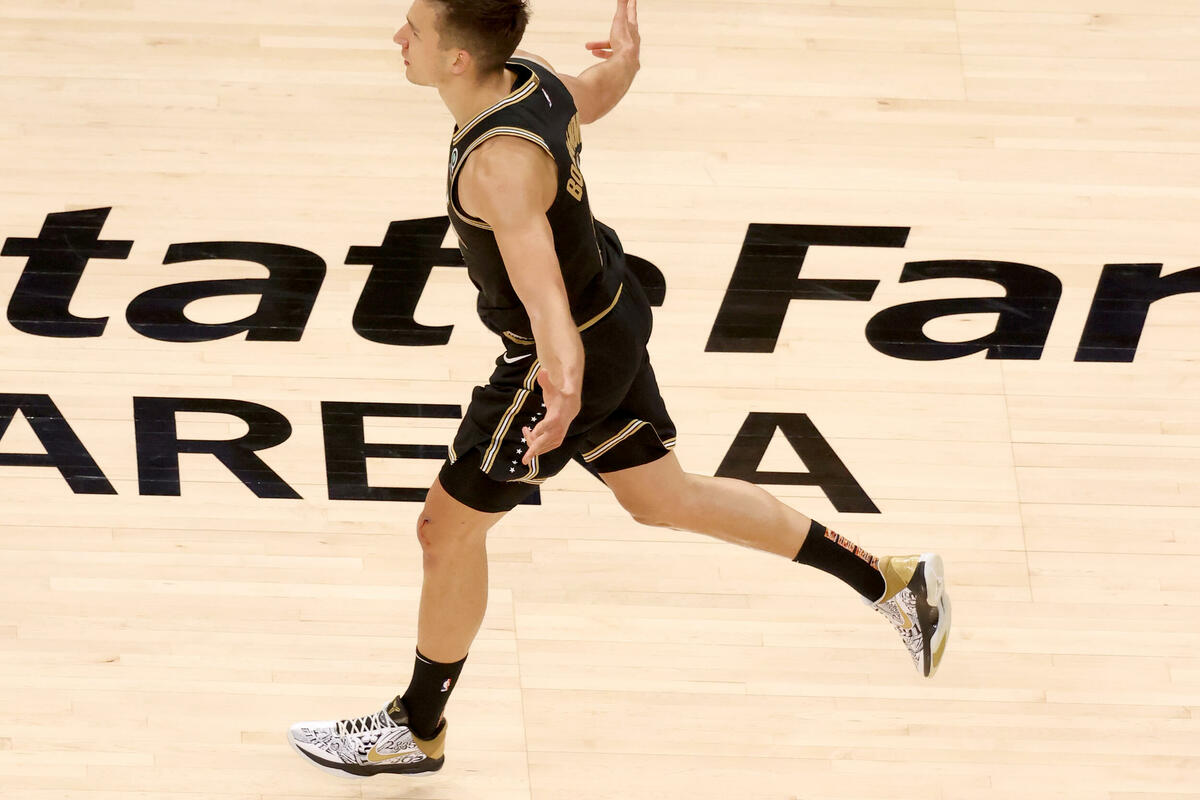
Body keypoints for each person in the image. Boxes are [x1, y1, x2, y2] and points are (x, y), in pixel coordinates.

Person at [288, 0, 950, 779]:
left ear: (458, 59)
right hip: (612, 309)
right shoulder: (531, 79)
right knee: (663, 498)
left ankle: (417, 727)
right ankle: (892, 581)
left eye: (416, 31)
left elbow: (545, 303)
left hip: (562, 354)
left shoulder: (497, 166)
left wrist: (563, 390)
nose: (398, 38)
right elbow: (595, 93)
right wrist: (627, 60)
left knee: (446, 530)